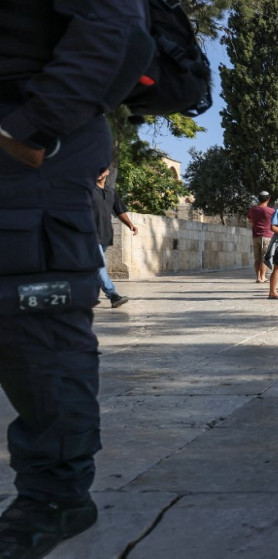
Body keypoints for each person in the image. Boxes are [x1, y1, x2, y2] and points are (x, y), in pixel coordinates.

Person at [0, 1, 149, 555]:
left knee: (31, 315)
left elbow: (117, 28)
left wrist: (31, 127)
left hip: (27, 138)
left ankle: (54, 497)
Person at [93, 167, 138, 308]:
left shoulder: (111, 192)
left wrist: (130, 224)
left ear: (107, 172)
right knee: (99, 265)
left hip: (105, 234)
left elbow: (119, 211)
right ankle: (113, 295)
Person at [248, 191, 275, 283]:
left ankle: (258, 277)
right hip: (267, 236)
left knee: (257, 259)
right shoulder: (271, 211)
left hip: (255, 236)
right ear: (268, 199)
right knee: (265, 258)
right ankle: (263, 277)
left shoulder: (252, 209)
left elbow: (250, 220)